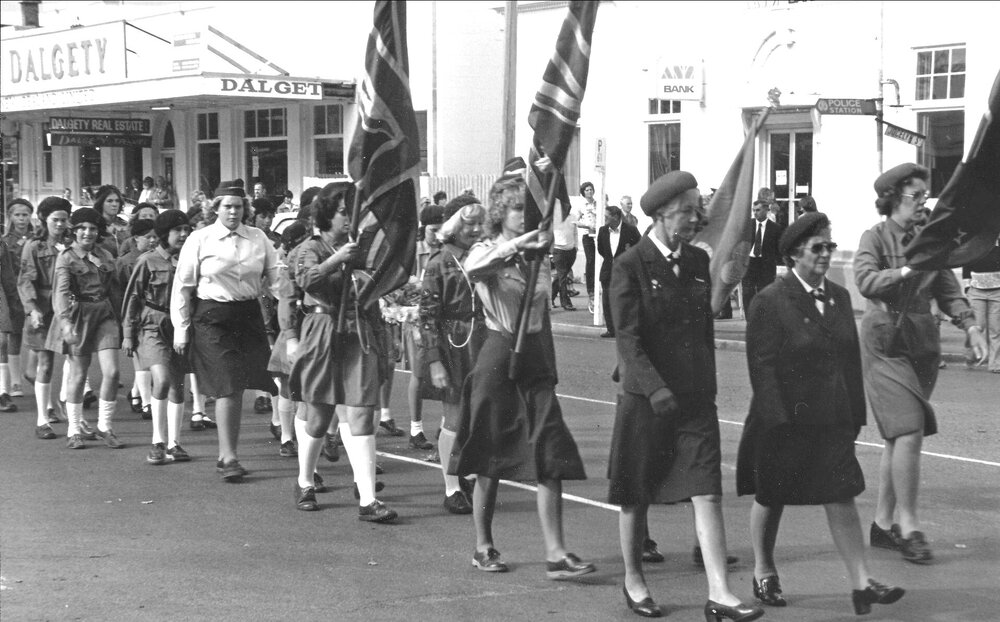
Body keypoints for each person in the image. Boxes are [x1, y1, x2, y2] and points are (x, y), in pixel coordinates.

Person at [608, 171, 761, 621]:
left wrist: (728, 282)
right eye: (688, 211)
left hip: (693, 398)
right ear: (660, 215)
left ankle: (720, 593)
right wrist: (654, 388)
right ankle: (634, 580)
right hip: (648, 399)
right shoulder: (630, 265)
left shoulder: (696, 261)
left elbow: (699, 319)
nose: (696, 218)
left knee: (706, 491)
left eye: (698, 209)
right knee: (635, 494)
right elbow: (628, 340)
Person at [736, 212, 905, 615]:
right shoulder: (770, 300)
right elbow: (761, 366)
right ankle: (764, 570)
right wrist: (778, 421)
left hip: (830, 419)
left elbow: (849, 361)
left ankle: (862, 582)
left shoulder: (840, 296)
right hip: (784, 421)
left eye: (830, 246)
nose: (827, 254)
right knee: (771, 495)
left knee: (841, 494)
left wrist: (854, 419)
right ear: (796, 253)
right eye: (819, 248)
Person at [449, 175, 594, 579]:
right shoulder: (486, 249)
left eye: (527, 211)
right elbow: (473, 268)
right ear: (500, 213)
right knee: (492, 457)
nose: (524, 217)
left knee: (549, 451)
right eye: (517, 210)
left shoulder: (539, 256)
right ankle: (483, 545)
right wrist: (515, 247)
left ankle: (556, 552)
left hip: (533, 355)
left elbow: (540, 313)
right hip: (499, 355)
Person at [854, 163, 986, 564]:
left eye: (925, 197)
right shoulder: (874, 237)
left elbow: (947, 288)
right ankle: (908, 527)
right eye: (916, 197)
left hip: (921, 343)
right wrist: (908, 269)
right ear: (894, 198)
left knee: (899, 436)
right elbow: (865, 280)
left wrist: (970, 326)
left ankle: (881, 524)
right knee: (909, 429)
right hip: (885, 342)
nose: (923, 204)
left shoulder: (930, 239)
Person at [286, 189, 396, 521]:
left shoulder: (359, 250)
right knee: (319, 416)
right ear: (326, 216)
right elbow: (305, 279)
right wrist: (337, 259)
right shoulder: (310, 248)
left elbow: (373, 291)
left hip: (357, 332)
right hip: (322, 329)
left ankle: (367, 499)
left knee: (362, 413)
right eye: (343, 212)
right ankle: (304, 480)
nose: (349, 218)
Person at [171, 181, 280, 482]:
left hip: (248, 315)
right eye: (227, 206)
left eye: (239, 206)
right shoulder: (200, 239)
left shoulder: (258, 238)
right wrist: (181, 329)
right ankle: (228, 456)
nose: (233, 212)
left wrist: (297, 306)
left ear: (246, 208)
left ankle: (232, 452)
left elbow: (276, 279)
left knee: (248, 382)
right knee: (228, 383)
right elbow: (182, 287)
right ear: (215, 208)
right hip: (211, 317)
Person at [418, 201, 488, 514]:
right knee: (455, 416)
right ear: (455, 225)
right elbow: (427, 314)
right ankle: (452, 487)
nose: (475, 230)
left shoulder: (485, 254)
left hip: (484, 339)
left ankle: (470, 474)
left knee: (477, 415)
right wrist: (434, 359)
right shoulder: (440, 261)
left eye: (479, 224)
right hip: (454, 343)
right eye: (469, 223)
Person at [18, 197, 97, 440]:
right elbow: (25, 280)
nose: (61, 225)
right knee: (45, 364)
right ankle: (43, 419)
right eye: (56, 220)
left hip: (68, 309)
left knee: (76, 364)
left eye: (64, 220)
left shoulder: (71, 246)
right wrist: (32, 309)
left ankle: (76, 418)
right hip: (43, 308)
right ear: (44, 219)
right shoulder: (34, 247)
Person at [122, 210, 194, 464]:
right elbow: (133, 297)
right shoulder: (148, 261)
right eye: (178, 230)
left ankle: (175, 443)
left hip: (181, 326)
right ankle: (157, 441)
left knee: (178, 385)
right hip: (152, 325)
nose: (184, 234)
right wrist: (129, 333)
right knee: (161, 380)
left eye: (187, 229)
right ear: (164, 234)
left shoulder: (190, 260)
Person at [49, 207, 124, 450]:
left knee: (112, 372)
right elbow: (60, 293)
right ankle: (74, 430)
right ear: (74, 231)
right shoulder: (67, 257)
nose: (87, 233)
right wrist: (66, 323)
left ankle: (105, 425)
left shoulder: (105, 255)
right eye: (82, 228)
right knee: (79, 374)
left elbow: (114, 289)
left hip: (104, 315)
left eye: (92, 228)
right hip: (80, 315)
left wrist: (124, 321)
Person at [117, 218, 160, 419]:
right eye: (148, 237)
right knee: (140, 357)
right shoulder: (126, 262)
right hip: (134, 313)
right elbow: (120, 292)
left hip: (153, 313)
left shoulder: (159, 258)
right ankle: (146, 402)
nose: (152, 240)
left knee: (148, 358)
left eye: (155, 236)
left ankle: (136, 394)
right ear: (136, 238)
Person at [1, 199, 34, 406]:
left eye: (25, 214)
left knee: (24, 332)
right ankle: (12, 382)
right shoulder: (7, 240)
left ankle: (21, 377)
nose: (22, 219)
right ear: (11, 217)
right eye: (18, 215)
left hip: (27, 288)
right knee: (10, 333)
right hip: (11, 288)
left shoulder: (36, 237)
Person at [597, 204, 640, 338]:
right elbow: (601, 250)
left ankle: (625, 328)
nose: (604, 219)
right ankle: (611, 329)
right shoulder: (603, 231)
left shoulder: (631, 230)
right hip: (608, 271)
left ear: (615, 217)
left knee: (625, 300)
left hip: (625, 272)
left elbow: (638, 248)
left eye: (607, 217)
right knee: (607, 300)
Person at [962, 234, 1000, 372]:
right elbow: (966, 266)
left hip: (997, 292)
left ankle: (995, 364)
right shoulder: (976, 247)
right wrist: (967, 287)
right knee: (978, 326)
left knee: (996, 329)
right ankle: (970, 356)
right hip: (977, 291)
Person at [741, 201, 781, 314]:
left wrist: (773, 261)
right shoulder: (747, 225)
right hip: (749, 263)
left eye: (758, 210)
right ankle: (750, 320)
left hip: (766, 265)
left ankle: (763, 320)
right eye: (753, 210)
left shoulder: (775, 228)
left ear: (766, 210)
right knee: (747, 292)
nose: (755, 213)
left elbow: (779, 249)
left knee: (765, 293)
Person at [551, 186, 579, 311]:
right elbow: (549, 234)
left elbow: (575, 232)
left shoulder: (573, 217)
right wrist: (551, 252)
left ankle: (550, 297)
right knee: (563, 277)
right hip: (559, 250)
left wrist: (576, 247)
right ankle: (565, 302)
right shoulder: (554, 218)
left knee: (560, 277)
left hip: (571, 250)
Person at [573, 181, 598, 313]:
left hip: (598, 235)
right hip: (588, 235)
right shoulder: (581, 206)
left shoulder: (598, 203)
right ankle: (591, 290)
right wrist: (587, 226)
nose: (589, 192)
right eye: (587, 190)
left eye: (591, 189)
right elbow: (576, 222)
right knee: (591, 261)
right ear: (583, 193)